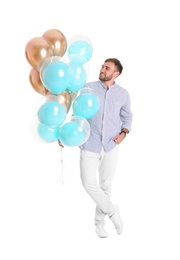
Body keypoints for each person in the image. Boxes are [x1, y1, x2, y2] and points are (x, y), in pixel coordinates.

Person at [58, 58, 133, 238]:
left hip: (111, 144)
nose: (102, 69)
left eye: (107, 68)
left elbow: (127, 116)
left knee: (106, 185)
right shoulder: (87, 88)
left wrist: (124, 133)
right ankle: (113, 212)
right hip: (89, 142)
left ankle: (99, 224)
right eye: (102, 66)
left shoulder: (123, 94)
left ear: (116, 74)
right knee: (88, 182)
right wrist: (66, 135)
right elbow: (76, 113)